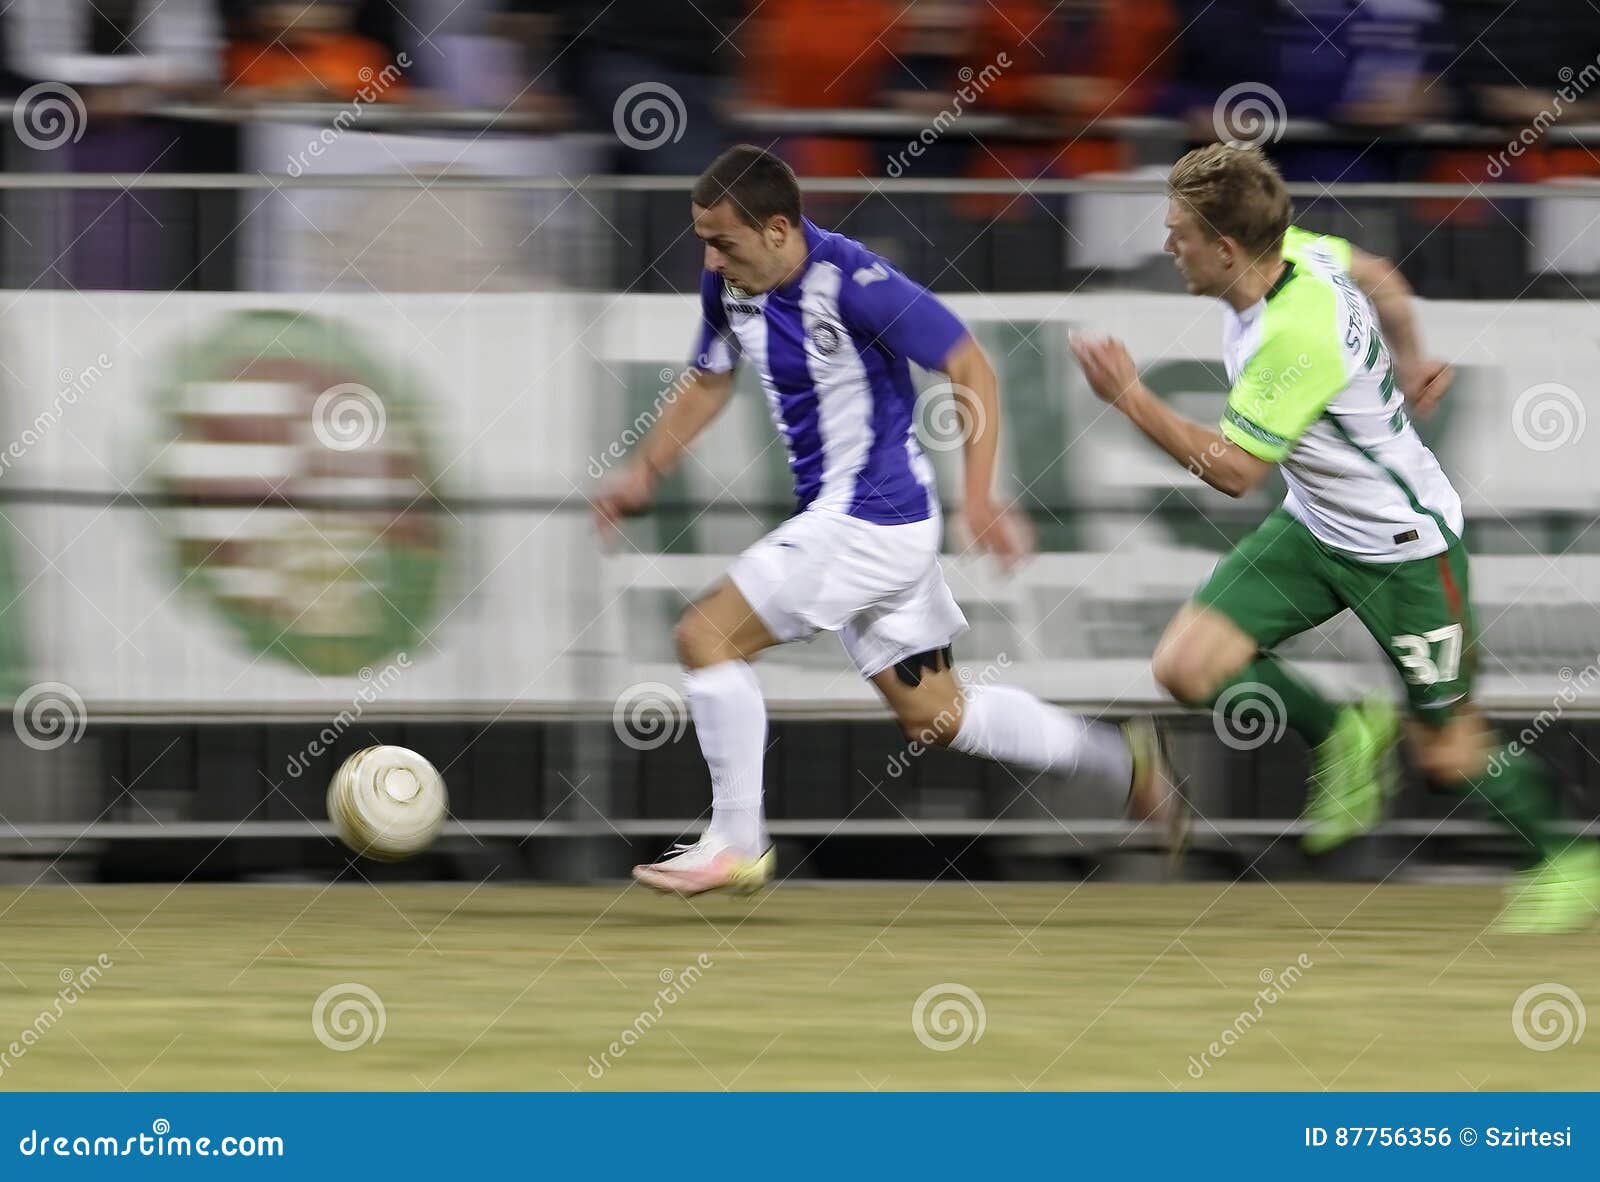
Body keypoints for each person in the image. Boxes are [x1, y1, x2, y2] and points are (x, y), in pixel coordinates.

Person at [594, 144, 1182, 897]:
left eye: (723, 240)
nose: (708, 257)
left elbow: (969, 364)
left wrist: (980, 496)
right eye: (702, 238)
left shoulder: (856, 282)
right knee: (939, 716)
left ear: (778, 230)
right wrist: (645, 467)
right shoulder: (728, 285)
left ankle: (737, 843)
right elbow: (709, 379)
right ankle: (1122, 762)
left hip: (872, 519)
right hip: (861, 524)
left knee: (704, 636)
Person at [1070, 142, 1600, 933]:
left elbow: (1235, 473)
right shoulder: (1299, 252)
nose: (1167, 245)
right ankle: (1343, 731)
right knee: (1185, 666)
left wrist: (1128, 397)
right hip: (1318, 529)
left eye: (1179, 231)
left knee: (1448, 755)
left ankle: (1566, 859)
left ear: (1225, 248)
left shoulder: (1293, 336)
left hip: (1404, 551)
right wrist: (1414, 354)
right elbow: (1382, 273)